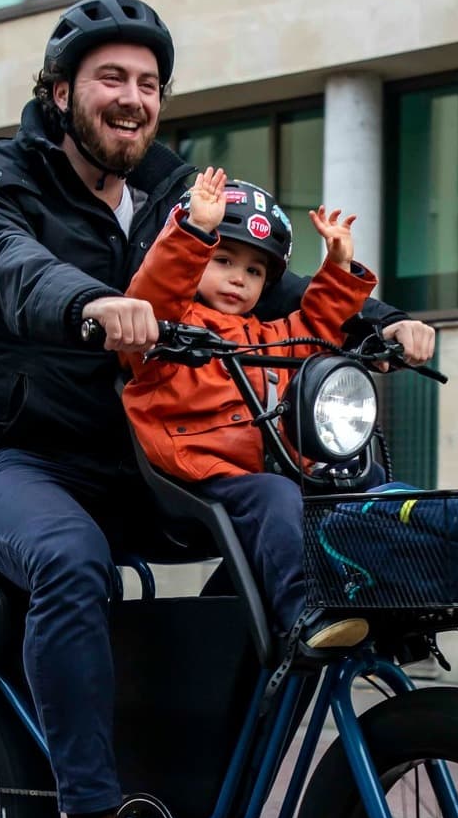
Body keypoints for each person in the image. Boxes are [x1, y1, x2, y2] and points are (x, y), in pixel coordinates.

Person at [0, 0, 436, 818]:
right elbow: (0, 261)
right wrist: (89, 302)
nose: (132, 99)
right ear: (59, 91)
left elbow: (272, 280)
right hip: (11, 457)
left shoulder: (181, 191)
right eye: (110, 79)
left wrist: (382, 320)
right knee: (69, 559)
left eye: (149, 84)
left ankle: (192, 759)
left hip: (148, 462)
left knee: (285, 513)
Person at [122, 167, 375, 652]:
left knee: (367, 478)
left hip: (275, 469)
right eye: (223, 261)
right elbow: (155, 293)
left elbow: (316, 329)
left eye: (255, 271)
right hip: (213, 471)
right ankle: (307, 612)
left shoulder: (267, 334)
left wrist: (339, 267)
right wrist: (195, 231)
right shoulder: (166, 328)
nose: (239, 278)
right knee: (276, 495)